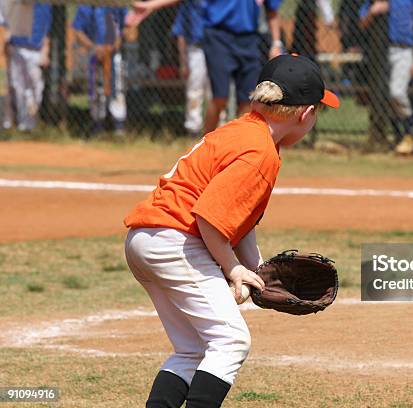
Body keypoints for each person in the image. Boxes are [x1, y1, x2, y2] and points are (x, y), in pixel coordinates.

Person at [123, 54, 339, 408]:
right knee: (231, 341)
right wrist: (232, 268)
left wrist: (254, 269)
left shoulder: (244, 130)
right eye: (318, 110)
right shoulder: (260, 153)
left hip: (146, 240)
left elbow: (238, 220)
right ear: (305, 114)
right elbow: (210, 218)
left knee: (193, 350)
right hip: (175, 240)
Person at [127, 0, 284, 134]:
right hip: (218, 37)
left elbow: (272, 10)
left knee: (248, 101)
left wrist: (276, 43)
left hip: (249, 40)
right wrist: (151, 5)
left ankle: (238, 147)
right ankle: (206, 146)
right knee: (219, 98)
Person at [360, 0, 413, 155]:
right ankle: (399, 138)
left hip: (404, 51)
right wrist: (372, 12)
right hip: (381, 51)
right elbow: (362, 24)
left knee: (397, 93)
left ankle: (409, 133)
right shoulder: (374, 2)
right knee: (385, 96)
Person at [72, 5, 128, 135]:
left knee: (117, 89)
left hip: (114, 54)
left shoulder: (115, 4)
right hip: (94, 55)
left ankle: (118, 125)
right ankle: (98, 124)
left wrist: (113, 45)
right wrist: (93, 47)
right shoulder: (85, 7)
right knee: (95, 90)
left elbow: (126, 26)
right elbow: (78, 31)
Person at [5, 2, 51, 132]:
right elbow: (7, 26)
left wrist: (45, 50)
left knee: (37, 84)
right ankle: (23, 123)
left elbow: (47, 29)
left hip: (35, 49)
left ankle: (31, 115)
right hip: (17, 46)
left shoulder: (43, 5)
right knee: (18, 85)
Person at [171, 0, 214, 137]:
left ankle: (219, 128)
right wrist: (183, 62)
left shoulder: (219, 4)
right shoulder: (189, 4)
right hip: (196, 50)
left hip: (217, 48)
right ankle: (193, 129)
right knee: (194, 89)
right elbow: (180, 34)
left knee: (216, 91)